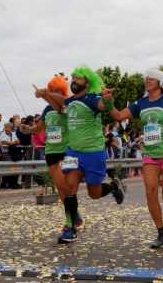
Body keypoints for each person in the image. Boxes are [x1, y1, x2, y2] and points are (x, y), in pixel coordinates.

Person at [103, 68, 163, 248]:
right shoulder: (140, 103)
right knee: (150, 191)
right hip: (151, 153)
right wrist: (108, 102)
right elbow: (117, 116)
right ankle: (162, 233)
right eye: (146, 78)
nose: (147, 80)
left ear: (160, 83)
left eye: (152, 78)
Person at [36, 66, 124, 244]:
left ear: (87, 82)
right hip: (73, 152)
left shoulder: (92, 99)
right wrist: (45, 94)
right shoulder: (69, 102)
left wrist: (108, 100)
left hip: (93, 153)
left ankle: (113, 186)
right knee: (68, 189)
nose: (74, 81)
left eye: (78, 79)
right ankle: (70, 227)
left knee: (94, 193)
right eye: (73, 78)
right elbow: (60, 102)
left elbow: (103, 105)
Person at [32, 75, 81, 235]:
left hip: (68, 151)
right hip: (51, 152)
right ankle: (75, 218)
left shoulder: (68, 105)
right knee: (61, 189)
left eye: (55, 90)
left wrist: (46, 94)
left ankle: (70, 222)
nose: (51, 93)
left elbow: (61, 107)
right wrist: (27, 130)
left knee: (68, 188)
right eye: (50, 90)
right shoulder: (47, 109)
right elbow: (39, 128)